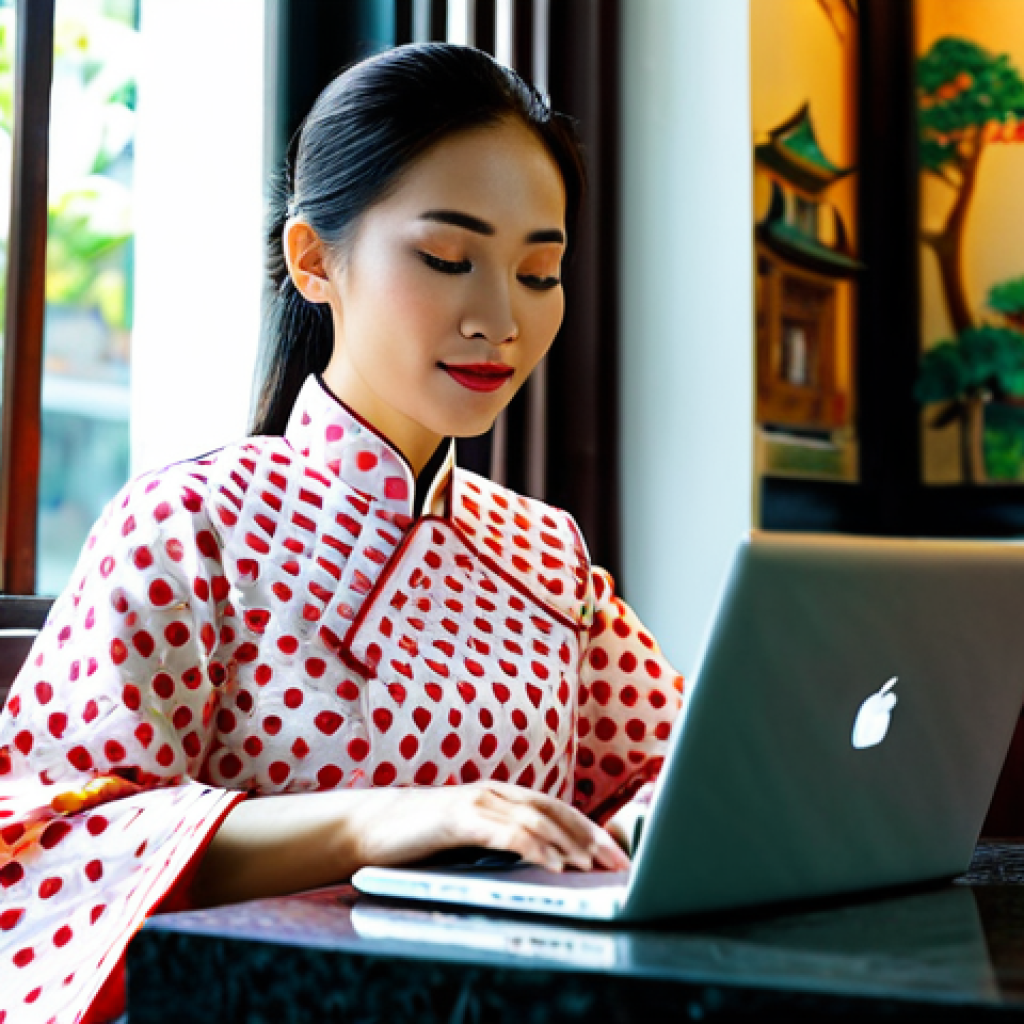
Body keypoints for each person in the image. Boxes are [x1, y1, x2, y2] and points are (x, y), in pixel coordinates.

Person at [0, 43, 683, 1023]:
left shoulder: (546, 552)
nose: (500, 317)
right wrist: (383, 819)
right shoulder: (187, 522)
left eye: (539, 271)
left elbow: (683, 772)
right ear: (314, 259)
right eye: (448, 258)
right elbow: (49, 840)